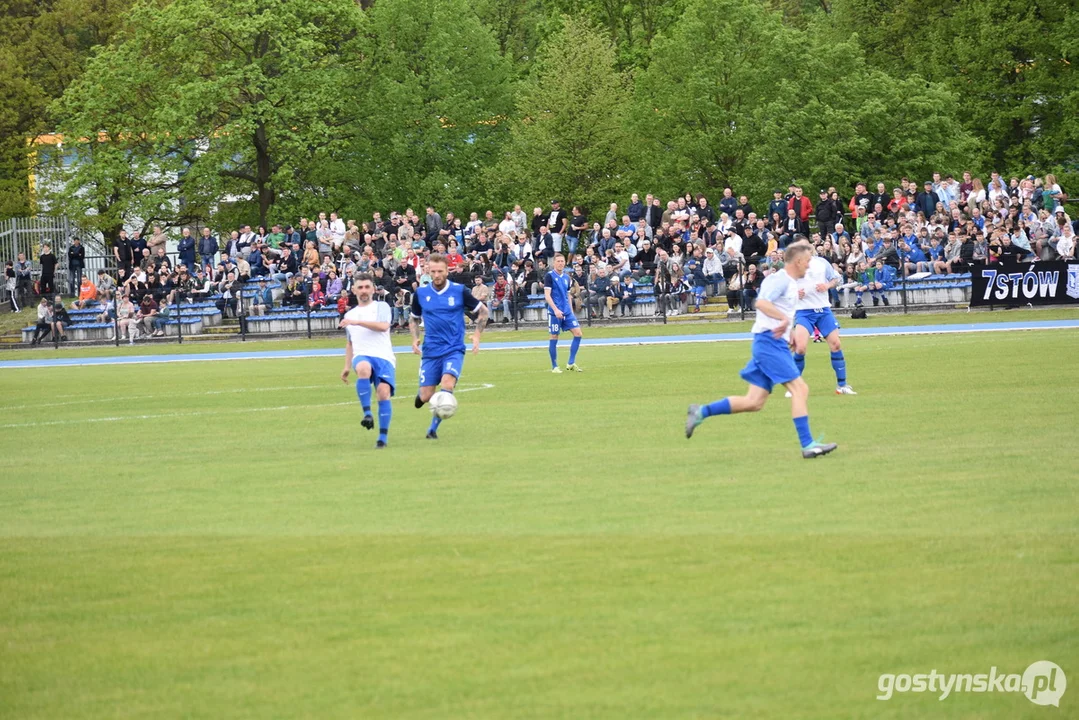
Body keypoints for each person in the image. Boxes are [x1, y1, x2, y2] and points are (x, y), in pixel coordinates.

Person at [685, 243, 838, 459]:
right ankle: (808, 445)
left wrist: (790, 332)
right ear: (798, 261)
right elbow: (762, 303)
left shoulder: (791, 283)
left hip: (773, 343)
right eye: (807, 260)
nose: (810, 264)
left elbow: (780, 310)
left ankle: (701, 412)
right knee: (800, 389)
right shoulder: (779, 279)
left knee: (754, 402)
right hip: (768, 343)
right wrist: (784, 320)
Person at [409, 254, 488, 439]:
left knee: (447, 383)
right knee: (426, 395)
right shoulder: (421, 294)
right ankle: (422, 397)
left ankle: (432, 430)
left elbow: (483, 312)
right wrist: (414, 338)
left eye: (440, 271)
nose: (437, 275)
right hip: (430, 351)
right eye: (433, 271)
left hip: (454, 349)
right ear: (428, 270)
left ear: (447, 270)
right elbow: (414, 318)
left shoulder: (459, 291)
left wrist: (477, 335)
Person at [788, 241, 856, 396]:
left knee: (836, 344)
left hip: (823, 310)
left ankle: (842, 385)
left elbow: (836, 279)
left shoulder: (822, 263)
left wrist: (826, 286)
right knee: (800, 348)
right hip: (804, 312)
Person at [339, 274, 396, 449]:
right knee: (363, 368)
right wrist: (347, 366)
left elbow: (383, 326)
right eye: (360, 287)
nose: (364, 290)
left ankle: (382, 439)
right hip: (363, 355)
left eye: (367, 287)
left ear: (372, 289)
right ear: (354, 290)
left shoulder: (382, 306)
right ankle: (367, 414)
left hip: (384, 357)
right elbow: (350, 343)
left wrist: (357, 322)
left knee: (383, 393)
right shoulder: (350, 314)